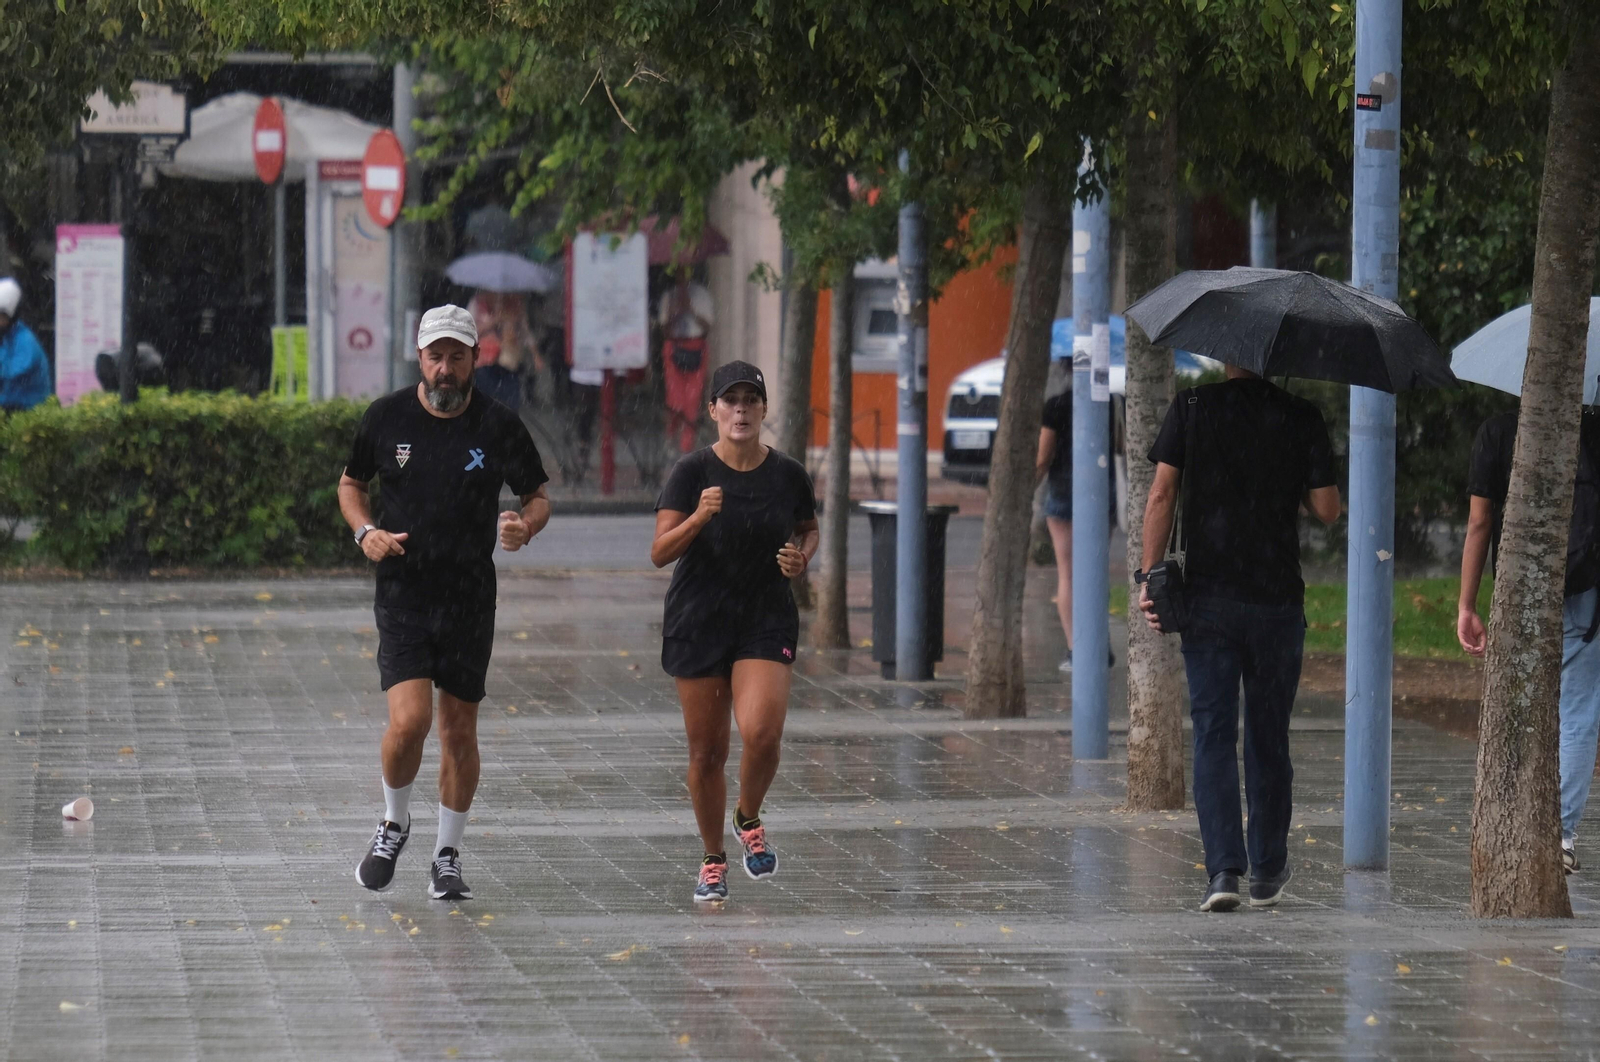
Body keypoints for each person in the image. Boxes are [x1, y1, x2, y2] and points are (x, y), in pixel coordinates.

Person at [338, 304, 551, 901]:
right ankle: (394, 822)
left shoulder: (498, 424)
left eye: (458, 356)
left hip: (468, 597)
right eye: (436, 356)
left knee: (459, 732)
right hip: (404, 591)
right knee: (409, 724)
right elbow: (351, 482)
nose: (446, 368)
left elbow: (537, 495)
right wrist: (364, 532)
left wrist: (523, 527)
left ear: (474, 360)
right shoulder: (386, 417)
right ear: (420, 358)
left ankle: (447, 855)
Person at [1136, 365, 1340, 912]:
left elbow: (1161, 495)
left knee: (1213, 732)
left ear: (1226, 354)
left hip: (1209, 603)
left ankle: (1223, 870)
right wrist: (1284, 486)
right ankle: (1268, 870)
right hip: (1276, 602)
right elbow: (1327, 508)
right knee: (1269, 737)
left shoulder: (1194, 407)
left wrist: (1148, 576)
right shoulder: (1301, 415)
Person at [650, 359, 819, 903]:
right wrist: (698, 518)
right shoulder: (691, 472)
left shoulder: (788, 474)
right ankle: (712, 858)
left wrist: (801, 558)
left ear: (764, 409)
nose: (742, 410)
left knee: (763, 733)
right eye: (732, 400)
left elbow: (808, 530)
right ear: (713, 411)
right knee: (707, 753)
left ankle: (748, 818)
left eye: (752, 400)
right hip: (699, 620)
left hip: (764, 617)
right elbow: (659, 552)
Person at [1458, 403, 1600, 873]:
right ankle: (1560, 834)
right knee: (1578, 709)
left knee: (1519, 705)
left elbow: (1480, 523)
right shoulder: (1592, 431)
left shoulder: (1497, 431)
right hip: (1586, 588)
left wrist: (1467, 604)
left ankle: (1510, 820)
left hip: (1520, 585)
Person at [1036, 384, 1117, 672]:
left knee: (1068, 575)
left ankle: (1076, 648)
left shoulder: (1056, 404)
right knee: (1095, 571)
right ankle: (1098, 644)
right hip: (1101, 492)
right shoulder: (1110, 402)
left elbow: (1043, 458)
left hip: (1063, 494)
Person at [659, 278, 714, 452]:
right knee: (675, 401)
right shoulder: (669, 297)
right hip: (675, 348)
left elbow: (707, 327)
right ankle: (671, 436)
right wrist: (676, 311)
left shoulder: (702, 296)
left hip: (696, 347)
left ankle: (687, 446)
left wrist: (690, 310)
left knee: (692, 400)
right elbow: (664, 330)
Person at [0, 278, 51, 412]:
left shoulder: (25, 340)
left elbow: (12, 372)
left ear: (11, 316)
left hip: (26, 409)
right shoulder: (6, 337)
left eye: (1, 316)